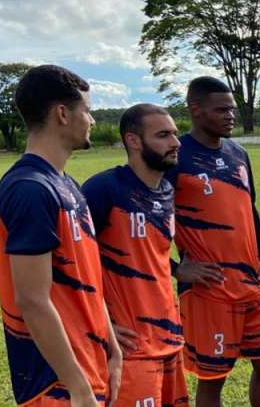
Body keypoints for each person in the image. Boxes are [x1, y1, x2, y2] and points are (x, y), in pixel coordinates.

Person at [0, 65, 123, 406]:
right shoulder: (29, 189)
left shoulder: (67, 184)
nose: (92, 121)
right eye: (88, 111)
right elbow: (32, 300)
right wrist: (77, 387)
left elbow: (88, 277)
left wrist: (112, 347)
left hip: (90, 363)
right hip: (56, 384)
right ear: (62, 114)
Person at [167, 77, 260, 407]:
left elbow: (251, 209)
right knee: (213, 378)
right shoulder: (177, 156)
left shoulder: (238, 153)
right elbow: (154, 222)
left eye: (232, 108)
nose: (230, 115)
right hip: (209, 289)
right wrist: (176, 269)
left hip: (252, 283)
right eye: (221, 109)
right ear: (196, 110)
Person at [82, 104, 188, 407]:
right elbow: (76, 265)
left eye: (175, 134)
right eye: (164, 135)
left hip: (169, 338)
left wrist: (178, 270)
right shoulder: (104, 190)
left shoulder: (167, 189)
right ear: (134, 141)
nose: (176, 143)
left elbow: (144, 253)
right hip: (130, 346)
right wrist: (101, 325)